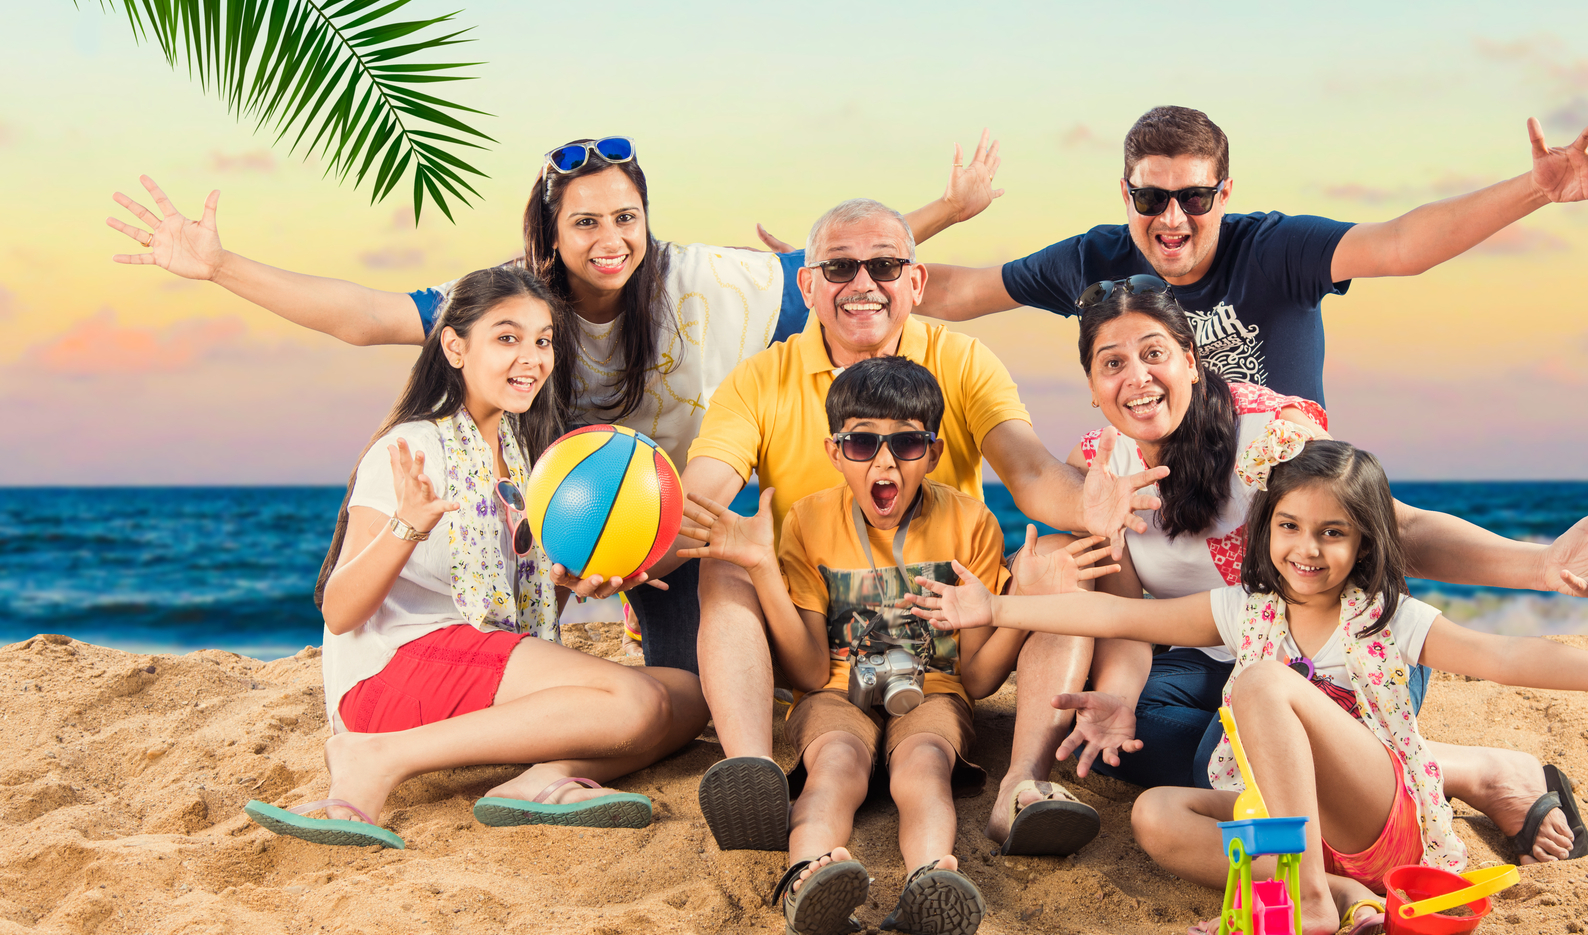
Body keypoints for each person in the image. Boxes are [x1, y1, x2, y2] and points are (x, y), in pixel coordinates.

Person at [105, 131, 1006, 670]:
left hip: (690, 519)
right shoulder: (516, 305)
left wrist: (954, 213)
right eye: (586, 221)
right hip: (583, 527)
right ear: (551, 232)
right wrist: (218, 265)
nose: (610, 239)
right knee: (688, 677)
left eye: (625, 218)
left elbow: (850, 269)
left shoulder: (702, 280)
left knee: (749, 665)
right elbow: (363, 316)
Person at [908, 434, 1588, 935]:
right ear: (1267, 532)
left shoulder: (1388, 620)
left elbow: (1514, 658)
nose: (1309, 550)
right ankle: (1336, 895)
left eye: (1334, 533)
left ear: (1367, 541)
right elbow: (1119, 616)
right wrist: (995, 601)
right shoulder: (1246, 609)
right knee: (1159, 814)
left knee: (1260, 685)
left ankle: (1302, 902)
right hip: (1282, 835)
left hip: (1381, 819)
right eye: (1292, 528)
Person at [988, 281, 1588, 861]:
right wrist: (1118, 695)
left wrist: (1538, 565)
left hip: (1333, 655)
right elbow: (1129, 616)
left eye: (1154, 354)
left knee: (1223, 764)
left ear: (1193, 362)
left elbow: (1394, 527)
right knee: (1118, 745)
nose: (1136, 377)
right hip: (1212, 653)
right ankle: (1411, 773)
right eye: (1112, 363)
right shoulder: (1101, 470)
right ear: (1091, 386)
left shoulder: (1267, 436)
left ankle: (1473, 767)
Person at [662, 198, 1166, 851]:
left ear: (916, 282)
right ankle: (754, 770)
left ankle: (1023, 782)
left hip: (947, 641)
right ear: (807, 284)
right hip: (818, 641)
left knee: (1070, 548)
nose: (864, 284)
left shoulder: (962, 361)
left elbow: (1029, 470)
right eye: (840, 268)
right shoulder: (761, 380)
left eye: (885, 265)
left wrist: (1088, 506)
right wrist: (622, 551)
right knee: (725, 552)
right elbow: (700, 500)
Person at [242, 267, 707, 849]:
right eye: (507, 338)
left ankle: (542, 781)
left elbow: (529, 610)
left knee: (688, 697)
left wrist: (579, 580)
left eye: (543, 340)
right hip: (395, 671)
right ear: (455, 346)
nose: (531, 358)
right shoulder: (412, 447)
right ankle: (376, 756)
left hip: (482, 664)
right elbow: (339, 612)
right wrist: (405, 526)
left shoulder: (537, 461)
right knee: (635, 701)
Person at [674, 357, 1106, 935]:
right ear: (834, 451)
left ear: (932, 451)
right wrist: (760, 565)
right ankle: (807, 875)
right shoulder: (807, 520)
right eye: (860, 443)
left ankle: (931, 878)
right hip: (834, 692)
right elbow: (804, 666)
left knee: (924, 769)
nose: (883, 461)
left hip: (933, 693)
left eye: (906, 443)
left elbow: (975, 680)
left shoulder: (972, 523)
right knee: (834, 766)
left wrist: (1021, 609)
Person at [904, 105, 1588, 410]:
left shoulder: (1275, 249)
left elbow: (1402, 244)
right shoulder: (1095, 260)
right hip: (1170, 520)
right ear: (1123, 192)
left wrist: (1536, 191)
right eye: (1150, 197)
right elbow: (952, 291)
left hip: (1281, 512)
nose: (1170, 218)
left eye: (1193, 198)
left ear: (1224, 192)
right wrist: (844, 256)